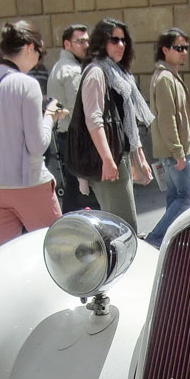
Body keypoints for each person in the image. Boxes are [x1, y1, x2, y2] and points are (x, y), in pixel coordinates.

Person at [0, 20, 63, 248]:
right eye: (40, 53)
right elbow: (38, 145)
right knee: (55, 252)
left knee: (2, 258)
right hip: (29, 183)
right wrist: (49, 116)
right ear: (30, 47)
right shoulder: (26, 84)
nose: (39, 60)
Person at [78, 17, 153, 231]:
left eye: (123, 40)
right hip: (109, 159)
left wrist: (139, 156)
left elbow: (126, 119)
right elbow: (93, 119)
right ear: (102, 42)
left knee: (120, 224)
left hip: (120, 155)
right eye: (114, 40)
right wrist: (107, 159)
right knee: (123, 227)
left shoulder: (119, 73)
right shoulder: (96, 72)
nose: (121, 45)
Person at [145, 28, 190, 248]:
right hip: (176, 151)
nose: (184, 52)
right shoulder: (165, 78)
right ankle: (156, 238)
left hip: (174, 150)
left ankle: (171, 239)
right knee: (187, 197)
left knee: (175, 197)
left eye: (186, 47)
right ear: (165, 50)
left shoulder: (169, 75)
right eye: (178, 48)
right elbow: (167, 118)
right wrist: (178, 152)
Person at [46, 23, 93, 211]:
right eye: (80, 41)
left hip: (66, 135)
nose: (86, 45)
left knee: (74, 190)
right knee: (83, 194)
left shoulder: (60, 66)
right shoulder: (72, 71)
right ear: (67, 44)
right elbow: (80, 109)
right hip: (76, 137)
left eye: (87, 41)